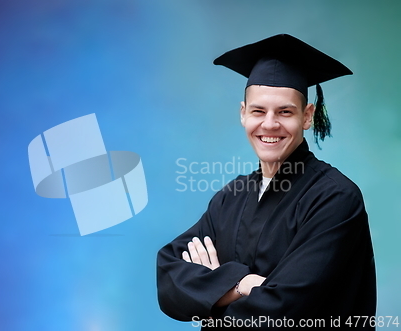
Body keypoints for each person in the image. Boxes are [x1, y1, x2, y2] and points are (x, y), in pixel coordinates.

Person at [156, 34, 376, 330]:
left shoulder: (335, 198)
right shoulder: (230, 198)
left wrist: (210, 298)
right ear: (243, 114)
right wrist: (242, 284)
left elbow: (284, 314)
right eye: (258, 111)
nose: (269, 124)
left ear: (307, 116)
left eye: (285, 112)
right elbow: (169, 276)